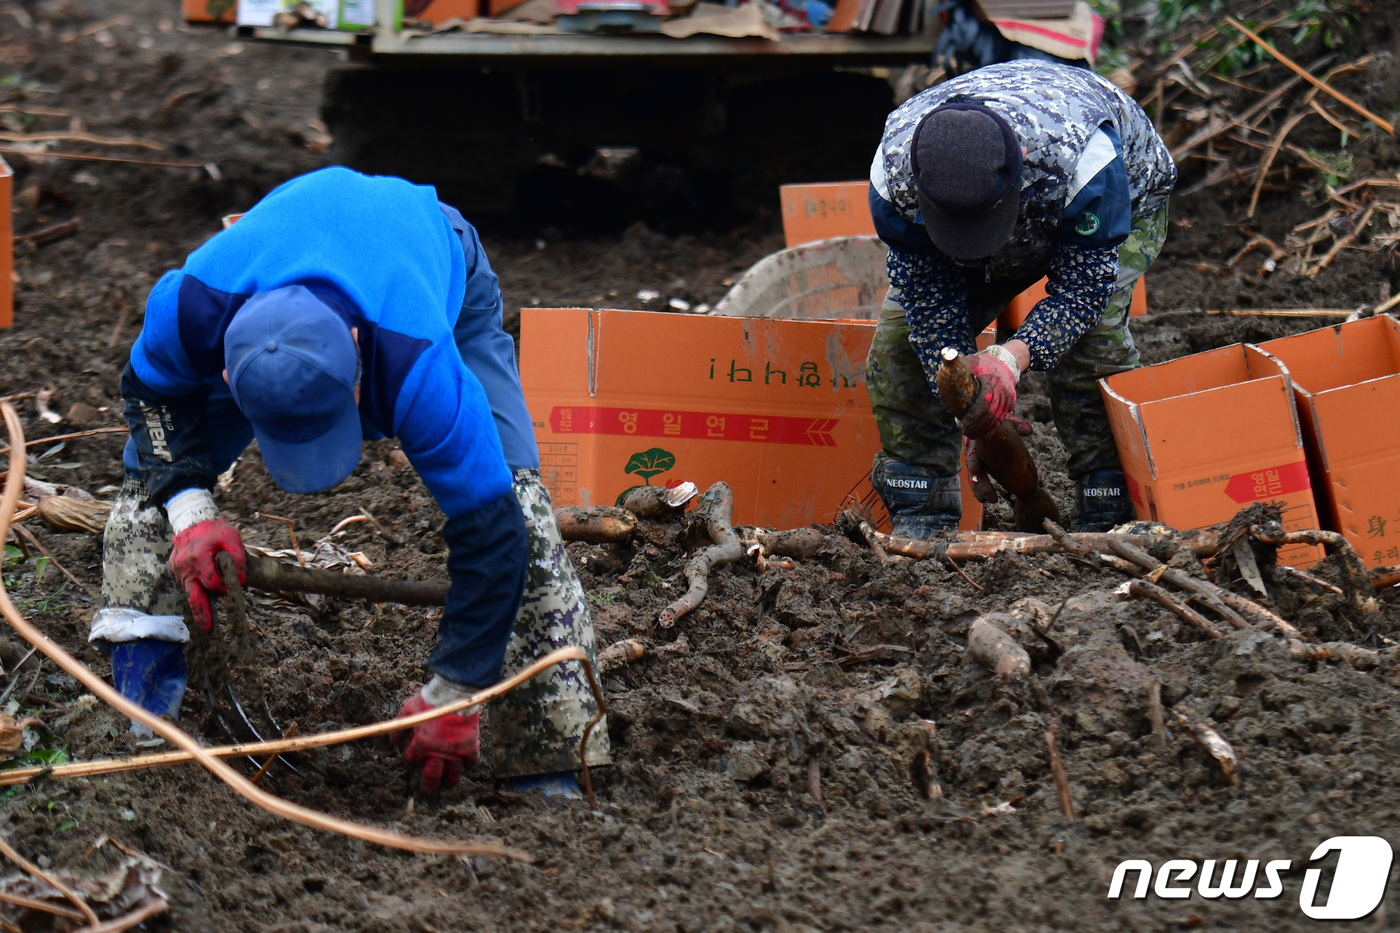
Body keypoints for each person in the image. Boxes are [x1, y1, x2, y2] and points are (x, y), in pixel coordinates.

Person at [92, 166, 609, 796]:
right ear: (228, 376)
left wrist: (457, 693)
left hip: (433, 257)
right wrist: (191, 509)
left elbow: (492, 529)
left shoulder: (419, 361)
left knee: (524, 518)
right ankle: (140, 733)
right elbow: (152, 392)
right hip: (275, 283)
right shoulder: (192, 307)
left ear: (360, 360)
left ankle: (550, 768)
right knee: (148, 500)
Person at [865, 60, 1178, 536]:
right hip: (1011, 200)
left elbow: (1084, 289)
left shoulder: (1083, 158)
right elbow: (929, 304)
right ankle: (922, 509)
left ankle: (1107, 496)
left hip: (1115, 200)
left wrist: (1009, 360)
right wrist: (974, 410)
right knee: (900, 347)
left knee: (1092, 344)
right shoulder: (895, 177)